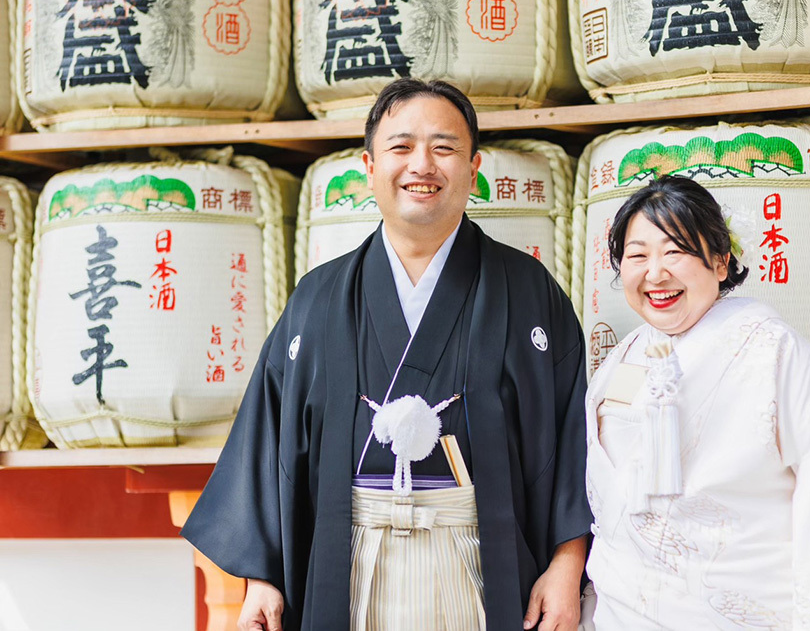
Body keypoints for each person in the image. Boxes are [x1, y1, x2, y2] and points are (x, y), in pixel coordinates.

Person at [182, 79, 591, 631]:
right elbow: (270, 442)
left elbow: (570, 443)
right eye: (401, 148)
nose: (422, 164)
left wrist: (567, 568)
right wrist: (264, 578)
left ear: (474, 170)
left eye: (443, 148)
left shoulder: (527, 290)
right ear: (369, 167)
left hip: (484, 562)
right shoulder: (318, 297)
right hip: (348, 562)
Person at [582, 176, 810, 629]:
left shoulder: (774, 353)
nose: (655, 273)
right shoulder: (621, 361)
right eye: (636, 256)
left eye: (675, 251)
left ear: (719, 262)